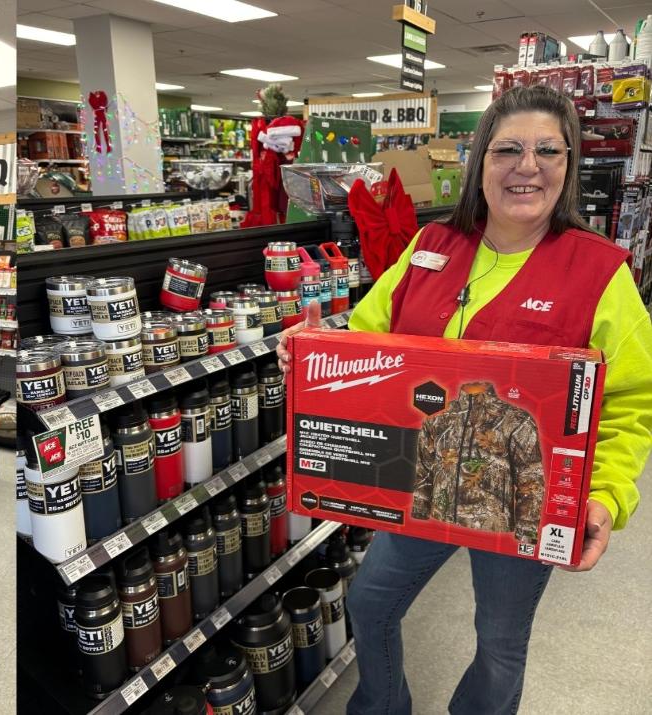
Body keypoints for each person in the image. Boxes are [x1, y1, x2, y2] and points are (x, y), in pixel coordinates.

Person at [277, 85, 652, 714]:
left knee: (500, 641)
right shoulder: (432, 247)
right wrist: (315, 350)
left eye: (546, 151)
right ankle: (380, 707)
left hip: (521, 498)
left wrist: (605, 494)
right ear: (480, 162)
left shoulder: (598, 271)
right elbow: (368, 336)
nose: (526, 166)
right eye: (507, 149)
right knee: (370, 601)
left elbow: (630, 402)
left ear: (569, 163)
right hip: (426, 478)